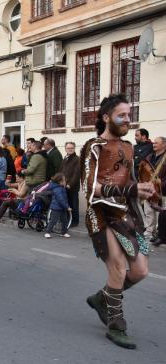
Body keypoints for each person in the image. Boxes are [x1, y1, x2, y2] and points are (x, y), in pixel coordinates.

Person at [82, 94, 155, 349]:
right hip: (100, 213)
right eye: (121, 115)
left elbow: (128, 182)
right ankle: (116, 324)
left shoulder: (128, 146)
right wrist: (130, 191)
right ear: (106, 118)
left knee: (140, 271)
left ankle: (102, 299)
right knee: (118, 266)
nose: (127, 119)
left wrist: (143, 188)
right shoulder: (93, 146)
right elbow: (90, 188)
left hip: (125, 214)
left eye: (129, 114)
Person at [142, 136, 166, 241]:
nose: (154, 144)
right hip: (149, 189)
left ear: (164, 144)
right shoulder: (149, 157)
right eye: (154, 143)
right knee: (149, 212)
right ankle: (149, 232)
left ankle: (159, 234)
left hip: (163, 191)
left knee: (160, 213)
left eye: (156, 143)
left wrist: (162, 184)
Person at [58, 142, 81, 227]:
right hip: (63, 186)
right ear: (65, 149)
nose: (70, 149)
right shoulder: (65, 158)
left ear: (74, 149)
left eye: (72, 148)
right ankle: (68, 220)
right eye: (68, 148)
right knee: (66, 204)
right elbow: (60, 171)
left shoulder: (77, 159)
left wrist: (70, 185)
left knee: (74, 205)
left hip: (72, 187)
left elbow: (76, 174)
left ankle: (75, 221)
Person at [44, 173, 71, 239]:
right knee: (53, 221)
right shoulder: (57, 189)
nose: (65, 181)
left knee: (64, 221)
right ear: (60, 182)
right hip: (56, 208)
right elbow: (61, 199)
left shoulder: (60, 187)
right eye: (64, 180)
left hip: (62, 208)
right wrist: (67, 207)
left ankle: (64, 232)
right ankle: (47, 232)